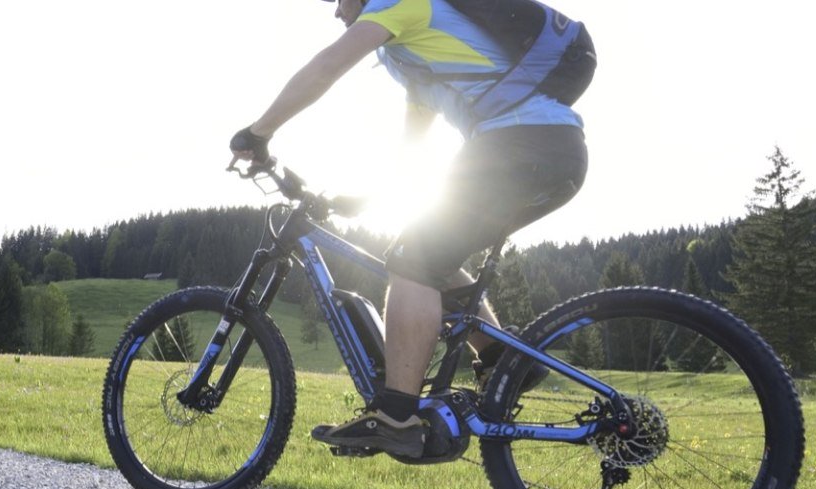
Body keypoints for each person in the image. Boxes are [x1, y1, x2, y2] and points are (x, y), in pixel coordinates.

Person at [229, 0, 589, 459]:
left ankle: (395, 416)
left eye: (339, 0)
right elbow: (412, 152)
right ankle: (503, 362)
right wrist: (363, 199)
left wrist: (258, 133)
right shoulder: (416, 61)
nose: (337, 12)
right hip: (553, 151)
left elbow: (326, 67)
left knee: (412, 259)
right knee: (428, 254)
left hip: (519, 143)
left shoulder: (400, 4)